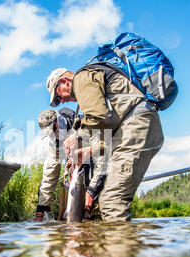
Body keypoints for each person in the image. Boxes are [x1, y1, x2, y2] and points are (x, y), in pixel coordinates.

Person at [45, 65, 164, 222]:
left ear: (63, 82)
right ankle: (114, 243)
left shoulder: (81, 79)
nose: (61, 101)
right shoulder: (88, 98)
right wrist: (88, 152)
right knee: (108, 201)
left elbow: (99, 117)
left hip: (136, 125)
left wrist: (78, 137)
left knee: (111, 201)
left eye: (58, 97)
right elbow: (104, 138)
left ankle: (117, 244)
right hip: (134, 127)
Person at [33, 107, 77, 222]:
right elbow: (49, 177)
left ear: (56, 122)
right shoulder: (54, 141)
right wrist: (39, 213)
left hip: (83, 147)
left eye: (52, 130)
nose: (51, 135)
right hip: (59, 148)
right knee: (49, 173)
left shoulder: (77, 122)